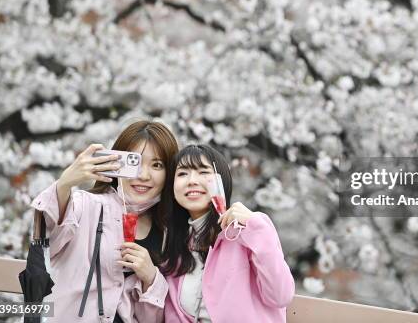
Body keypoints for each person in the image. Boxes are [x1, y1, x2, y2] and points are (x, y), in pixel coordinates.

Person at [30, 120, 178, 322]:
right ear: (116, 163)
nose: (144, 175)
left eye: (157, 165)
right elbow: (47, 241)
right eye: (135, 162)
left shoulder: (168, 230)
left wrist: (151, 278)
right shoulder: (86, 205)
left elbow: (152, 318)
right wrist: (64, 185)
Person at [159, 144, 295, 323]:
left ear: (220, 182)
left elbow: (281, 296)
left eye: (203, 172)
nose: (192, 180)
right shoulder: (175, 243)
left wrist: (256, 228)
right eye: (182, 173)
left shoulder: (246, 230)